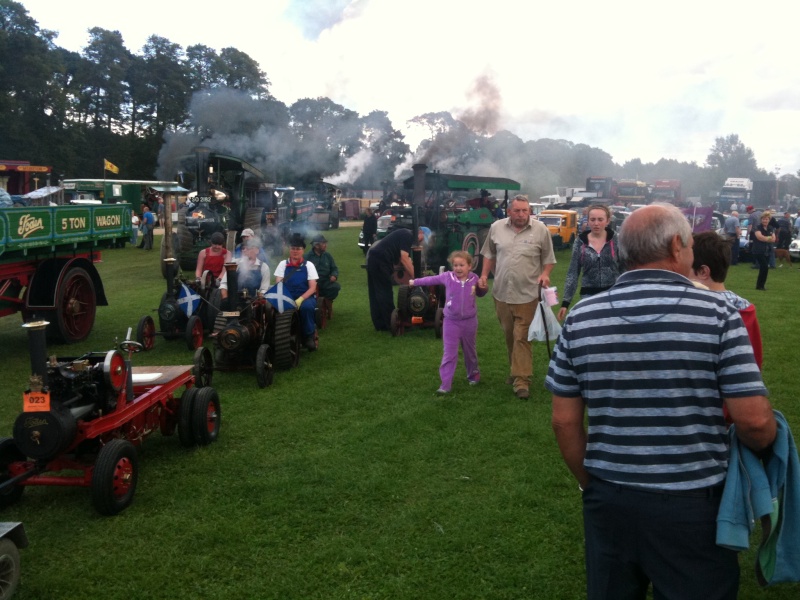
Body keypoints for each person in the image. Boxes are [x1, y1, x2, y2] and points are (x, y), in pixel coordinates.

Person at [546, 203, 776, 600]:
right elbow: (754, 423)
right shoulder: (721, 313)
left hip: (610, 500)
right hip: (692, 506)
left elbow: (564, 423)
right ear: (676, 246)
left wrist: (594, 485)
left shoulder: (581, 317)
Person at [478, 195, 556, 399]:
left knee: (522, 337)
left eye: (525, 210)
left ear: (529, 211)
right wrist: (484, 275)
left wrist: (545, 274)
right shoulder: (496, 228)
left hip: (528, 294)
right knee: (510, 335)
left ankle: (522, 381)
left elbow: (549, 259)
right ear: (509, 211)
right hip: (502, 293)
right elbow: (488, 254)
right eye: (517, 211)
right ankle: (516, 370)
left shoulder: (541, 230)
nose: (522, 214)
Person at [409, 251, 488, 394]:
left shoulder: (474, 279)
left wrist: (483, 287)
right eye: (455, 265)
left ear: (469, 266)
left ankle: (473, 375)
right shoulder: (448, 277)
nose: (458, 268)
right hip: (451, 322)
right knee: (449, 353)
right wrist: (415, 282)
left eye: (461, 265)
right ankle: (445, 384)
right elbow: (431, 280)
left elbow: (481, 294)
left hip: (470, 322)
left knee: (470, 351)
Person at [689, 231, 762, 368]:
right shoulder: (745, 307)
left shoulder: (696, 309)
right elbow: (754, 362)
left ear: (703, 272)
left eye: (686, 269)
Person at [557, 204, 624, 322]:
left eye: (600, 219)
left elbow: (625, 267)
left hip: (612, 295)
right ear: (587, 221)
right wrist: (565, 302)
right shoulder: (580, 242)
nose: (596, 223)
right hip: (588, 296)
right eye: (592, 220)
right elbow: (573, 272)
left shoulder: (616, 240)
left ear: (607, 221)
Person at [366, 227, 415, 331]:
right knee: (385, 292)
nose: (421, 241)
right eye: (422, 237)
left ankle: (380, 324)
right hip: (381, 261)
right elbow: (404, 258)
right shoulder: (408, 235)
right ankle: (392, 324)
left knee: (375, 293)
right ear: (420, 232)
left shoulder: (402, 233)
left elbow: (404, 258)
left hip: (373, 259)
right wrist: (417, 277)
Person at [275, 233, 318, 351]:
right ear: (289, 249)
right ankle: (278, 336)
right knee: (272, 309)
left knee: (307, 308)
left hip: (305, 296)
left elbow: (312, 288)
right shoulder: (282, 265)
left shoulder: (309, 265)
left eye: (298, 249)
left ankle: (308, 336)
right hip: (287, 296)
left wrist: (300, 299)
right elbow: (279, 284)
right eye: (293, 248)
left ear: (303, 250)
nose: (295, 251)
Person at [305, 234, 340, 317]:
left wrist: (334, 275)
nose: (325, 245)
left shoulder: (327, 256)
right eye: (323, 243)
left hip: (325, 281)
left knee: (336, 287)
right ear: (316, 246)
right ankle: (322, 306)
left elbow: (334, 268)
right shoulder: (307, 257)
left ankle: (327, 304)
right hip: (312, 283)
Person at [751, 211, 775, 290]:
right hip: (758, 250)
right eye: (764, 219)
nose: (765, 221)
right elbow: (759, 237)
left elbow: (774, 239)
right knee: (764, 267)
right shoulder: (758, 227)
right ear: (761, 220)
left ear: (769, 220)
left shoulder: (771, 228)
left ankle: (761, 285)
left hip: (768, 251)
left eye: (767, 219)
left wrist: (766, 238)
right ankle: (759, 286)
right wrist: (768, 238)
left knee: (764, 268)